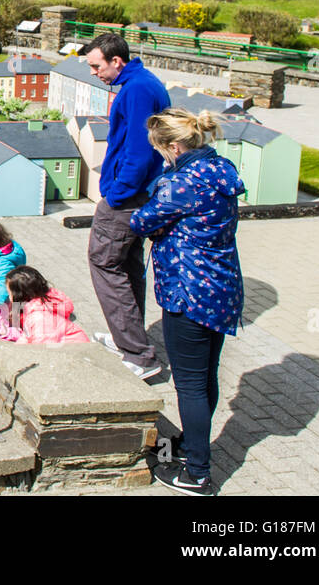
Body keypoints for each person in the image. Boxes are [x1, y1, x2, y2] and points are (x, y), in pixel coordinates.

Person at [130, 108, 244, 497]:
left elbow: (141, 221)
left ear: (175, 146)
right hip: (222, 288)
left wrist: (160, 212)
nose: (161, 157)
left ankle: (197, 473)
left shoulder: (181, 183)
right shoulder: (221, 168)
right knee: (206, 376)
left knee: (190, 385)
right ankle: (193, 443)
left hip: (188, 292)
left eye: (162, 150)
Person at [82, 32, 170, 379]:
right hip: (138, 196)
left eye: (96, 65)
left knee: (104, 264)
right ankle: (129, 341)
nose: (93, 72)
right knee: (128, 266)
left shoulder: (136, 91)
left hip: (126, 198)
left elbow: (139, 150)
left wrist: (116, 195)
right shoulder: (145, 83)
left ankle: (139, 354)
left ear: (116, 61)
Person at [2, 266, 90, 345]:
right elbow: (27, 336)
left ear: (20, 296)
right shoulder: (38, 306)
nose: (9, 298)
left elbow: (42, 350)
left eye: (9, 293)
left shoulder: (41, 318)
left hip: (76, 355)